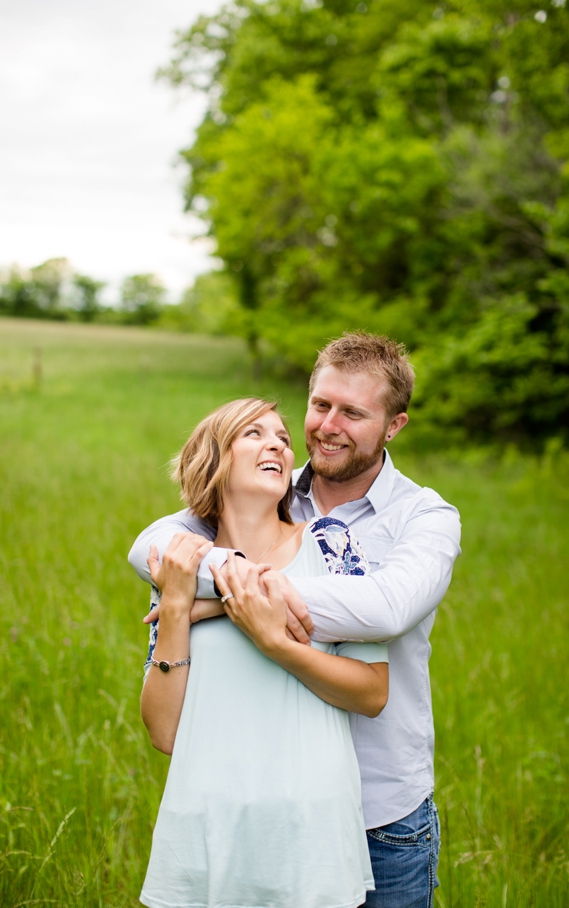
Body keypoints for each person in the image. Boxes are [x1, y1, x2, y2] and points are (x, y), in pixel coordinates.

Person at [130, 333, 462, 908]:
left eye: (353, 413)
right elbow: (152, 549)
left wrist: (227, 604)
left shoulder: (424, 517)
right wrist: (195, 597)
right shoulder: (264, 492)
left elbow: (385, 608)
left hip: (381, 811)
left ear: (394, 425)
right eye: (320, 405)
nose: (328, 426)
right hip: (239, 807)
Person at [139, 397, 388, 908]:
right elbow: (164, 732)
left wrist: (273, 640)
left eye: (282, 437)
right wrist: (179, 604)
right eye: (253, 434)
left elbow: (372, 693)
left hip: (309, 835)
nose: (277, 443)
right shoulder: (181, 568)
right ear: (213, 461)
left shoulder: (333, 545)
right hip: (204, 827)